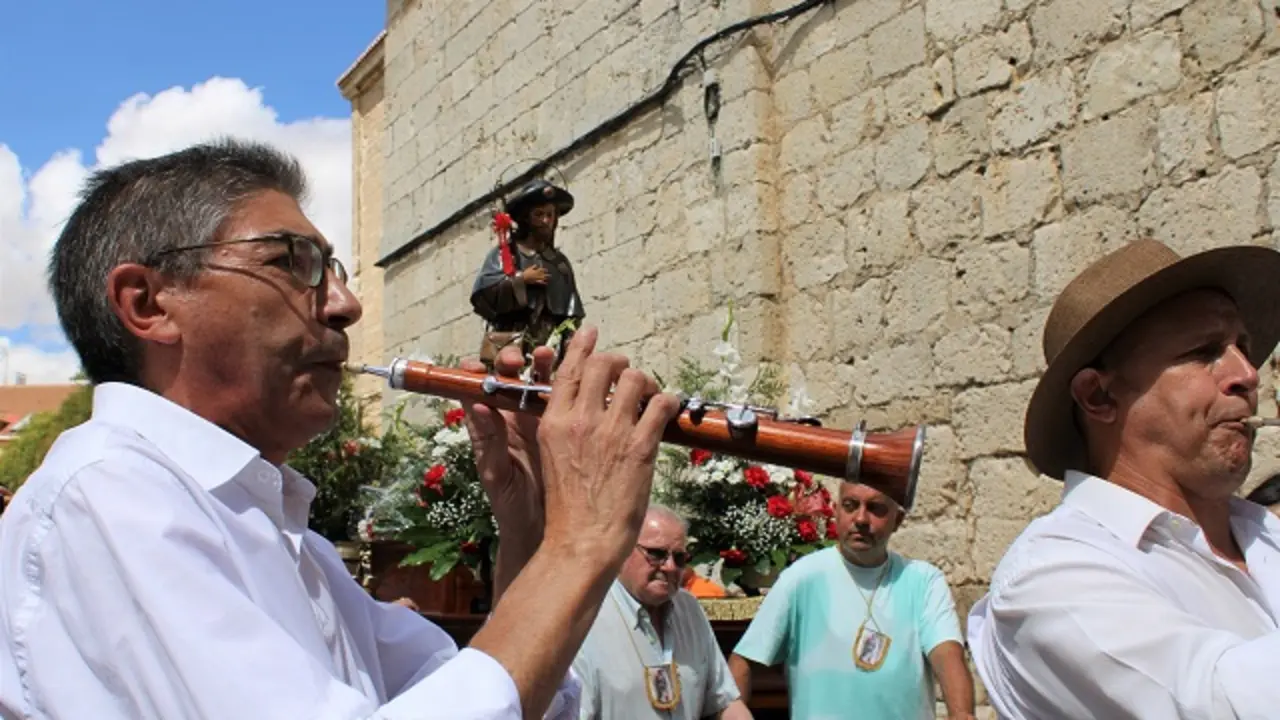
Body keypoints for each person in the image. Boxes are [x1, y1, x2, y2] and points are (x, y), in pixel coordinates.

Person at [0, 139, 681, 719]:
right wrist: (583, 543)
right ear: (147, 304)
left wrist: (531, 533)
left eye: (332, 269)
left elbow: (492, 693)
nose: (346, 304)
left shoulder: (290, 541)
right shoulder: (109, 496)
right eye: (288, 262)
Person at [966, 239, 1280, 718]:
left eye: (1245, 347)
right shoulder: (1048, 577)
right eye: (1205, 351)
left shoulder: (1266, 534)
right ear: (1098, 397)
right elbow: (1219, 704)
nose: (1247, 374)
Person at [727, 481, 975, 720]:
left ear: (898, 520)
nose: (861, 519)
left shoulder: (923, 581)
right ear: (835, 512)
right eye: (850, 505)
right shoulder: (801, 578)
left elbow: (947, 653)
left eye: (875, 508)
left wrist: (961, 713)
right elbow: (742, 661)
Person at [571, 505, 751, 720]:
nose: (669, 567)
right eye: (656, 554)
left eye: (679, 558)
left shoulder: (689, 609)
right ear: (623, 547)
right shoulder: (586, 617)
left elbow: (725, 702)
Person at [470, 178, 586, 367]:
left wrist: (570, 345)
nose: (545, 221)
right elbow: (484, 295)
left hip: (549, 347)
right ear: (526, 218)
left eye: (550, 214)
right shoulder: (506, 254)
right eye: (538, 214)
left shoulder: (559, 263)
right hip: (511, 341)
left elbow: (571, 313)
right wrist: (521, 279)